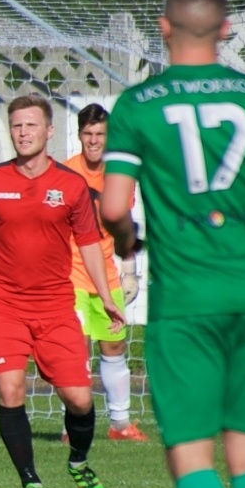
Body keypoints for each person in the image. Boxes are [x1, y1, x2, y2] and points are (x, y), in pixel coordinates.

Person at [100, 0, 245, 488]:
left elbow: (113, 207)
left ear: (164, 28)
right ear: (227, 30)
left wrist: (130, 239)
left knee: (193, 454)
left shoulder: (138, 105)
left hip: (187, 303)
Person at [0, 94, 124, 488]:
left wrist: (105, 297)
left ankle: (79, 462)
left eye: (31, 125)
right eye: (17, 126)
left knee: (80, 399)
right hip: (4, 303)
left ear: (49, 131)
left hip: (53, 305)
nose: (24, 132)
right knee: (10, 391)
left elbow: (88, 246)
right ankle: (31, 482)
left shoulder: (70, 186)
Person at [61, 102, 147, 441]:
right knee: (74, 350)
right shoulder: (65, 174)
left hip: (107, 276)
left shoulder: (118, 176)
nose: (94, 140)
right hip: (71, 276)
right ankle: (73, 427)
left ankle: (120, 425)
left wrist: (130, 270)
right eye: (88, 134)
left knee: (113, 347)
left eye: (100, 134)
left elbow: (122, 225)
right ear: (79, 135)